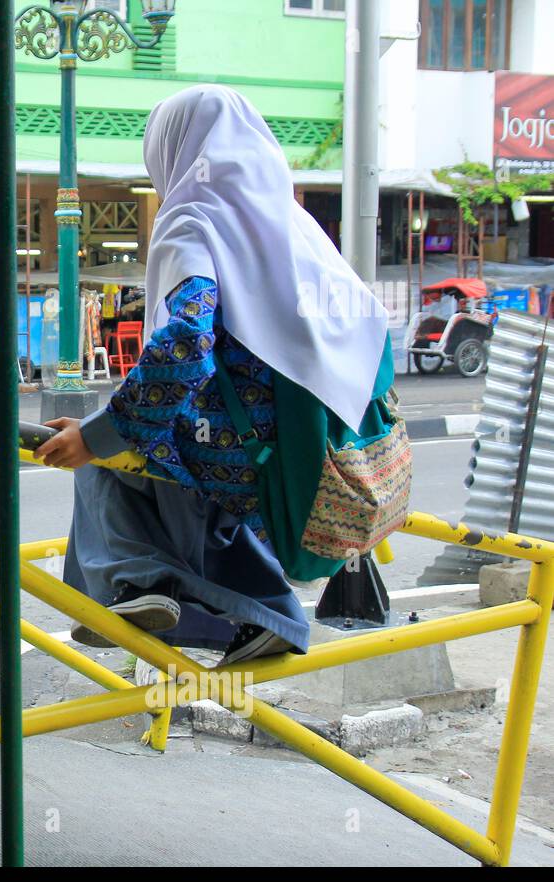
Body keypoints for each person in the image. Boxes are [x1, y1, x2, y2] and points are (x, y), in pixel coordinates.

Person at [35, 85, 393, 667]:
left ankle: (139, 588)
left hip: (251, 461)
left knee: (107, 454)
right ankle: (255, 611)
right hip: (332, 463)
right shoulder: (294, 227)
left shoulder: (190, 221)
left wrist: (97, 436)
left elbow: (185, 345)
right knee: (144, 444)